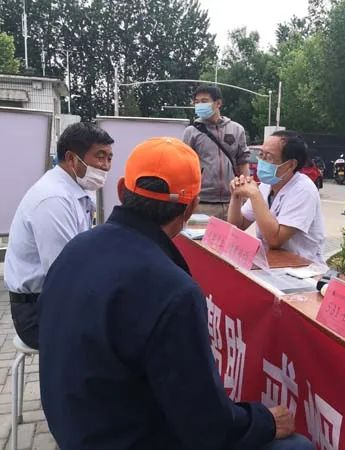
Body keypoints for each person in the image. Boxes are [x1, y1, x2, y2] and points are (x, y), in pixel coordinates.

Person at [37, 137, 314, 450]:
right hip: (128, 437)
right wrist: (265, 421)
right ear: (191, 207)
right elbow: (208, 428)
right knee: (296, 446)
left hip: (75, 426)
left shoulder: (76, 248)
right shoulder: (172, 290)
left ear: (122, 190)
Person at [4, 122, 114, 349]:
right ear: (72, 158)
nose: (105, 166)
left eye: (109, 158)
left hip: (56, 298)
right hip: (37, 312)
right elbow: (66, 274)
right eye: (100, 156)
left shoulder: (75, 192)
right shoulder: (53, 200)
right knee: (121, 337)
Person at [227, 130, 326, 265]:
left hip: (301, 267)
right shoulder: (266, 185)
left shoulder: (304, 190)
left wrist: (255, 195)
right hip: (273, 263)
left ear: (291, 165)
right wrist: (236, 195)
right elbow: (238, 225)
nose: (262, 161)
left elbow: (275, 239)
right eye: (261, 155)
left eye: (269, 157)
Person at [182, 84, 249, 220]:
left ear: (218, 103)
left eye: (204, 101)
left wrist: (246, 194)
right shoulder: (191, 132)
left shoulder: (236, 129)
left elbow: (243, 161)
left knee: (234, 234)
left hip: (233, 201)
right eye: (197, 102)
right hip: (202, 203)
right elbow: (185, 165)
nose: (200, 105)